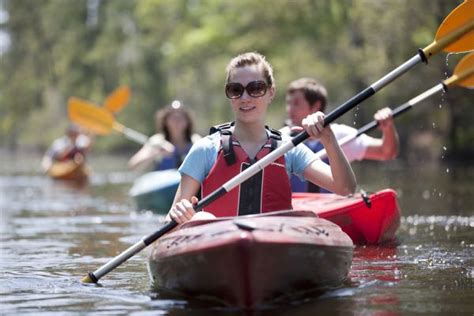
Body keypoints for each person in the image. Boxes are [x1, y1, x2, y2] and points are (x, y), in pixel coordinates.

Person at [166, 52, 356, 224]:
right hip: (216, 247)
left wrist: (329, 140)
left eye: (255, 88)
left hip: (275, 246)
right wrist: (181, 214)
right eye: (236, 90)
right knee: (202, 217)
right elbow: (169, 223)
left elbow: (346, 189)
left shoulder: (289, 148)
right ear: (229, 95)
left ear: (271, 92)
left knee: (308, 218)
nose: (245, 97)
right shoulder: (205, 149)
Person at [282, 77, 399, 192]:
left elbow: (386, 152)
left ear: (316, 106)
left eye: (296, 103)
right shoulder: (282, 138)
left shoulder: (340, 135)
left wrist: (388, 128)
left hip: (333, 206)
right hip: (296, 208)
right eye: (289, 103)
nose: (289, 109)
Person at [127, 101, 201, 171]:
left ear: (187, 121)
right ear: (165, 121)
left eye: (181, 117)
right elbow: (132, 166)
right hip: (164, 182)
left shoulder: (196, 141)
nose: (177, 121)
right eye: (173, 117)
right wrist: (157, 152)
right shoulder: (157, 141)